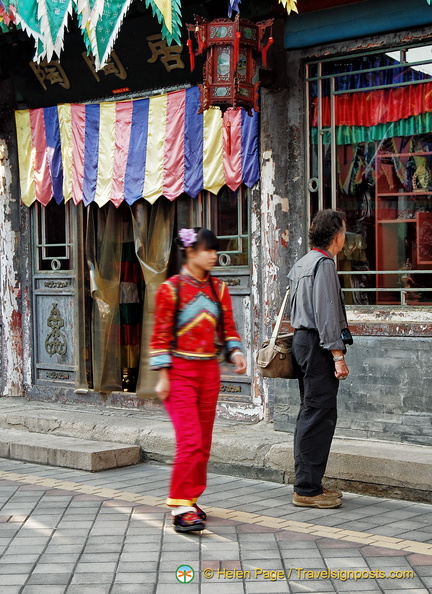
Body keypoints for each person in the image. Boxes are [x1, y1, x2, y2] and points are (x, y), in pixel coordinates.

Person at [149, 227, 247, 532]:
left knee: (203, 444)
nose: (214, 255)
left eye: (216, 250)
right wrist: (163, 376)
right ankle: (180, 506)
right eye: (208, 250)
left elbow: (228, 328)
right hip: (179, 374)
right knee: (190, 441)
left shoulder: (219, 289)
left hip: (209, 373)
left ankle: (190, 497)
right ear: (191, 252)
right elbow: (160, 336)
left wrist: (236, 352)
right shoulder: (171, 289)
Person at [288, 209, 352, 509]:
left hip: (302, 341)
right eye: (344, 232)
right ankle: (307, 489)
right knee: (319, 413)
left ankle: (309, 482)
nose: (345, 238)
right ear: (336, 235)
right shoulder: (323, 264)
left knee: (310, 411)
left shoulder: (303, 262)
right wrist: (337, 354)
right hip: (318, 344)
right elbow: (326, 313)